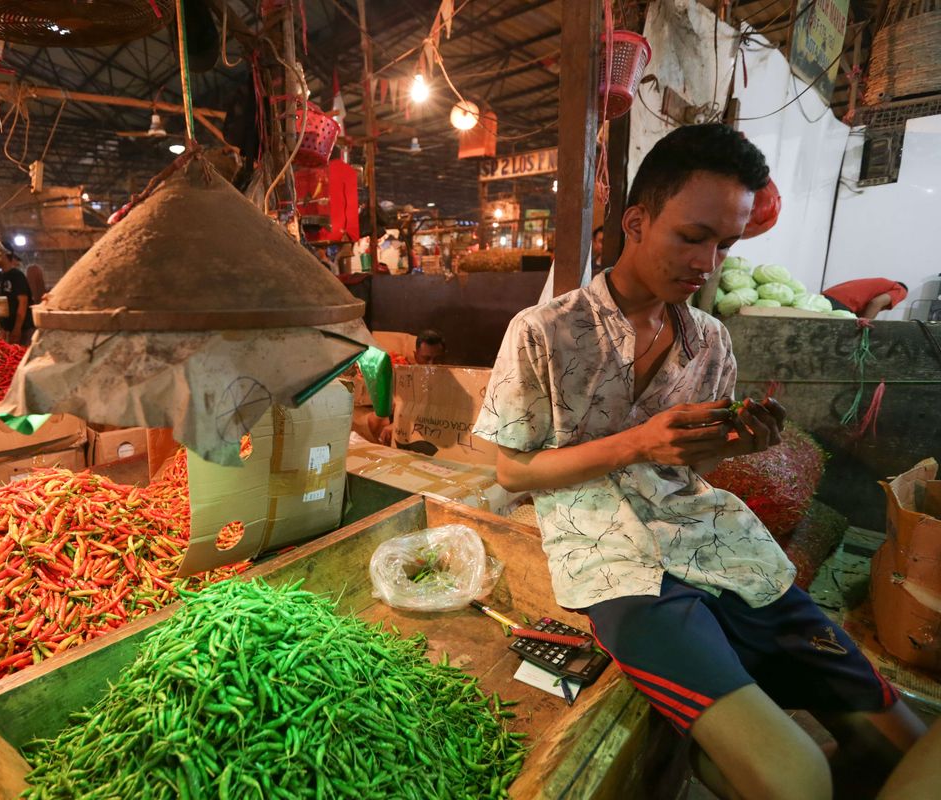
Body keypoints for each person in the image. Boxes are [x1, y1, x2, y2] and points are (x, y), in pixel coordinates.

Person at [473, 124, 923, 800]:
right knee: (799, 778)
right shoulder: (543, 331)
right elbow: (513, 473)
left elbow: (692, 471)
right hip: (614, 562)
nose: (708, 263)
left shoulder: (710, 339)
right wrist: (638, 443)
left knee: (903, 742)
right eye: (693, 236)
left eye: (727, 245)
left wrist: (734, 442)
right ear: (636, 221)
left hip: (717, 544)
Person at [366, 330, 448, 445]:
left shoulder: (451, 379)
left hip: (436, 423)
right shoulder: (408, 375)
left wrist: (396, 426)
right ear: (416, 356)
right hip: (411, 416)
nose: (431, 364)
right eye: (426, 358)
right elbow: (400, 402)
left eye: (437, 358)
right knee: (374, 419)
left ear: (444, 356)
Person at [0, 246, 34, 345]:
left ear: (3, 255)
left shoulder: (17, 275)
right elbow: (2, 303)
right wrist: (4, 328)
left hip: (23, 329)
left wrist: (17, 328)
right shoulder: (1, 276)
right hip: (10, 329)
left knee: (23, 356)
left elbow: (23, 302)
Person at [822, 278, 909, 319]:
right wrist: (866, 326)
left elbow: (863, 312)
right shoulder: (901, 290)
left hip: (827, 297)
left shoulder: (878, 285)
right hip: (843, 302)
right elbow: (876, 303)